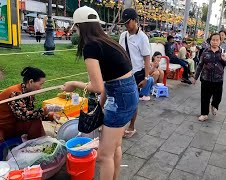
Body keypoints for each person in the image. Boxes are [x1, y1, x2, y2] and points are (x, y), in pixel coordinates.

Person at [63, 6, 139, 180]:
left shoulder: (91, 46)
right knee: (115, 146)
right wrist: (101, 105)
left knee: (104, 156)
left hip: (120, 97)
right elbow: (108, 82)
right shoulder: (107, 41)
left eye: (76, 27)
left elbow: (98, 87)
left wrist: (74, 84)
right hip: (128, 94)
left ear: (81, 27)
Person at [0, 67, 58, 142]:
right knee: (35, 120)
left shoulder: (29, 93)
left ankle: (37, 143)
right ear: (30, 81)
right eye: (40, 84)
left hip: (13, 123)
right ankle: (36, 143)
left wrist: (50, 115)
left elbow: (31, 113)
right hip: (4, 125)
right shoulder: (15, 93)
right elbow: (24, 115)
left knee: (36, 119)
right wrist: (44, 111)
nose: (41, 88)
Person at [193, 33, 226, 122]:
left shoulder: (223, 52)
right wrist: (195, 77)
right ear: (210, 41)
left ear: (220, 41)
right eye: (213, 40)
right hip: (206, 78)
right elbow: (200, 65)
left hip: (218, 79)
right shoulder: (205, 52)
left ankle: (214, 105)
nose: (215, 42)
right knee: (205, 97)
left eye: (217, 40)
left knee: (218, 97)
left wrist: (224, 59)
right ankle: (204, 114)